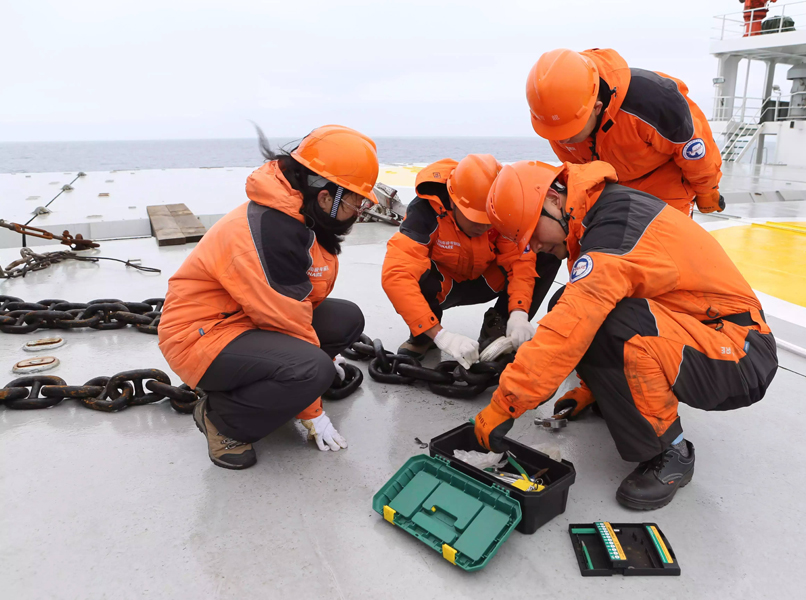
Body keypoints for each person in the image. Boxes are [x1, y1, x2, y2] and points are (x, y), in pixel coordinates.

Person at [474, 160, 778, 509]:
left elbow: (572, 326)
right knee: (570, 301)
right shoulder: (600, 216)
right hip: (702, 333)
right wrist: (594, 388)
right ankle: (615, 400)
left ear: (554, 202)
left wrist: (505, 404)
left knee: (611, 321)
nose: (535, 248)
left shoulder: (613, 231)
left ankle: (672, 451)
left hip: (738, 354)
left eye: (532, 235)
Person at [158, 125, 380, 469]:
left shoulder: (297, 214)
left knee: (345, 320)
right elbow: (287, 321)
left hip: (242, 320)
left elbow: (300, 299)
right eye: (355, 200)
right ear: (325, 198)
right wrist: (313, 410)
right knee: (310, 369)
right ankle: (222, 420)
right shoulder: (271, 232)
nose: (360, 210)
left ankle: (264, 386)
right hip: (201, 338)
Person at [381, 154, 560, 367]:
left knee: (544, 255)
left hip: (486, 281)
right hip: (442, 286)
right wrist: (440, 336)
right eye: (476, 219)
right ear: (453, 201)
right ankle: (424, 337)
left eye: (490, 221)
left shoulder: (502, 210)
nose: (484, 227)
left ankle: (501, 329)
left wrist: (519, 312)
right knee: (413, 275)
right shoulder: (424, 213)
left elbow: (519, 261)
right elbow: (397, 274)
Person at [525, 48, 725, 216]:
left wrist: (707, 194)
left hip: (665, 183)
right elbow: (579, 171)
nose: (562, 140)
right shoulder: (556, 120)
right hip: (611, 188)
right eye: (555, 133)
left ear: (596, 107)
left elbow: (696, 155)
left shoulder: (654, 102)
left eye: (570, 131)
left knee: (663, 251)